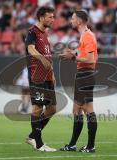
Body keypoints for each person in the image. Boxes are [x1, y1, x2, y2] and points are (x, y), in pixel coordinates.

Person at [59, 10, 98, 153]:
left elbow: (90, 59)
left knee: (83, 110)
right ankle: (76, 145)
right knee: (80, 110)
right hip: (85, 75)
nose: (71, 20)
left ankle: (87, 145)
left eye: (73, 18)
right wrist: (71, 53)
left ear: (79, 21)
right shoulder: (85, 35)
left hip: (85, 75)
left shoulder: (87, 36)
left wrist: (73, 58)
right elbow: (83, 53)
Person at [24, 6, 57, 152]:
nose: (52, 19)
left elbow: (49, 56)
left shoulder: (45, 34)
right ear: (41, 17)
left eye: (53, 17)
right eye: (50, 17)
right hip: (37, 76)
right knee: (38, 107)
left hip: (48, 77)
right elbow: (30, 49)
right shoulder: (33, 32)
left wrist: (53, 74)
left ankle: (33, 135)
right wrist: (41, 59)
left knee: (52, 109)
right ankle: (38, 143)